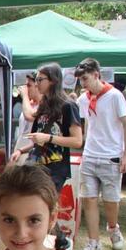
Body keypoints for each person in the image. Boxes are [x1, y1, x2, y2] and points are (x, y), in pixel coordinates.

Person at [73, 58, 126, 250]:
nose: (83, 83)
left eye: (86, 79)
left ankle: (113, 227)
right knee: (88, 200)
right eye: (81, 80)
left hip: (111, 156)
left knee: (110, 201)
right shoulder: (83, 99)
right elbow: (85, 121)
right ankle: (94, 243)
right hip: (90, 155)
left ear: (97, 75)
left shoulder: (115, 96)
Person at [12, 63, 83, 193]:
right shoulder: (44, 104)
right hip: (35, 164)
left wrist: (48, 137)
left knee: (45, 206)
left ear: (53, 81)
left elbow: (77, 141)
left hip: (55, 168)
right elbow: (40, 139)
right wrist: (21, 150)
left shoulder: (68, 106)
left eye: (40, 79)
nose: (37, 83)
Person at [12, 72, 42, 160]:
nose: (26, 89)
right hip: (20, 147)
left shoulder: (44, 105)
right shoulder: (29, 104)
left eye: (29, 85)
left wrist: (25, 96)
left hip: (31, 151)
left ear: (37, 86)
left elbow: (29, 116)